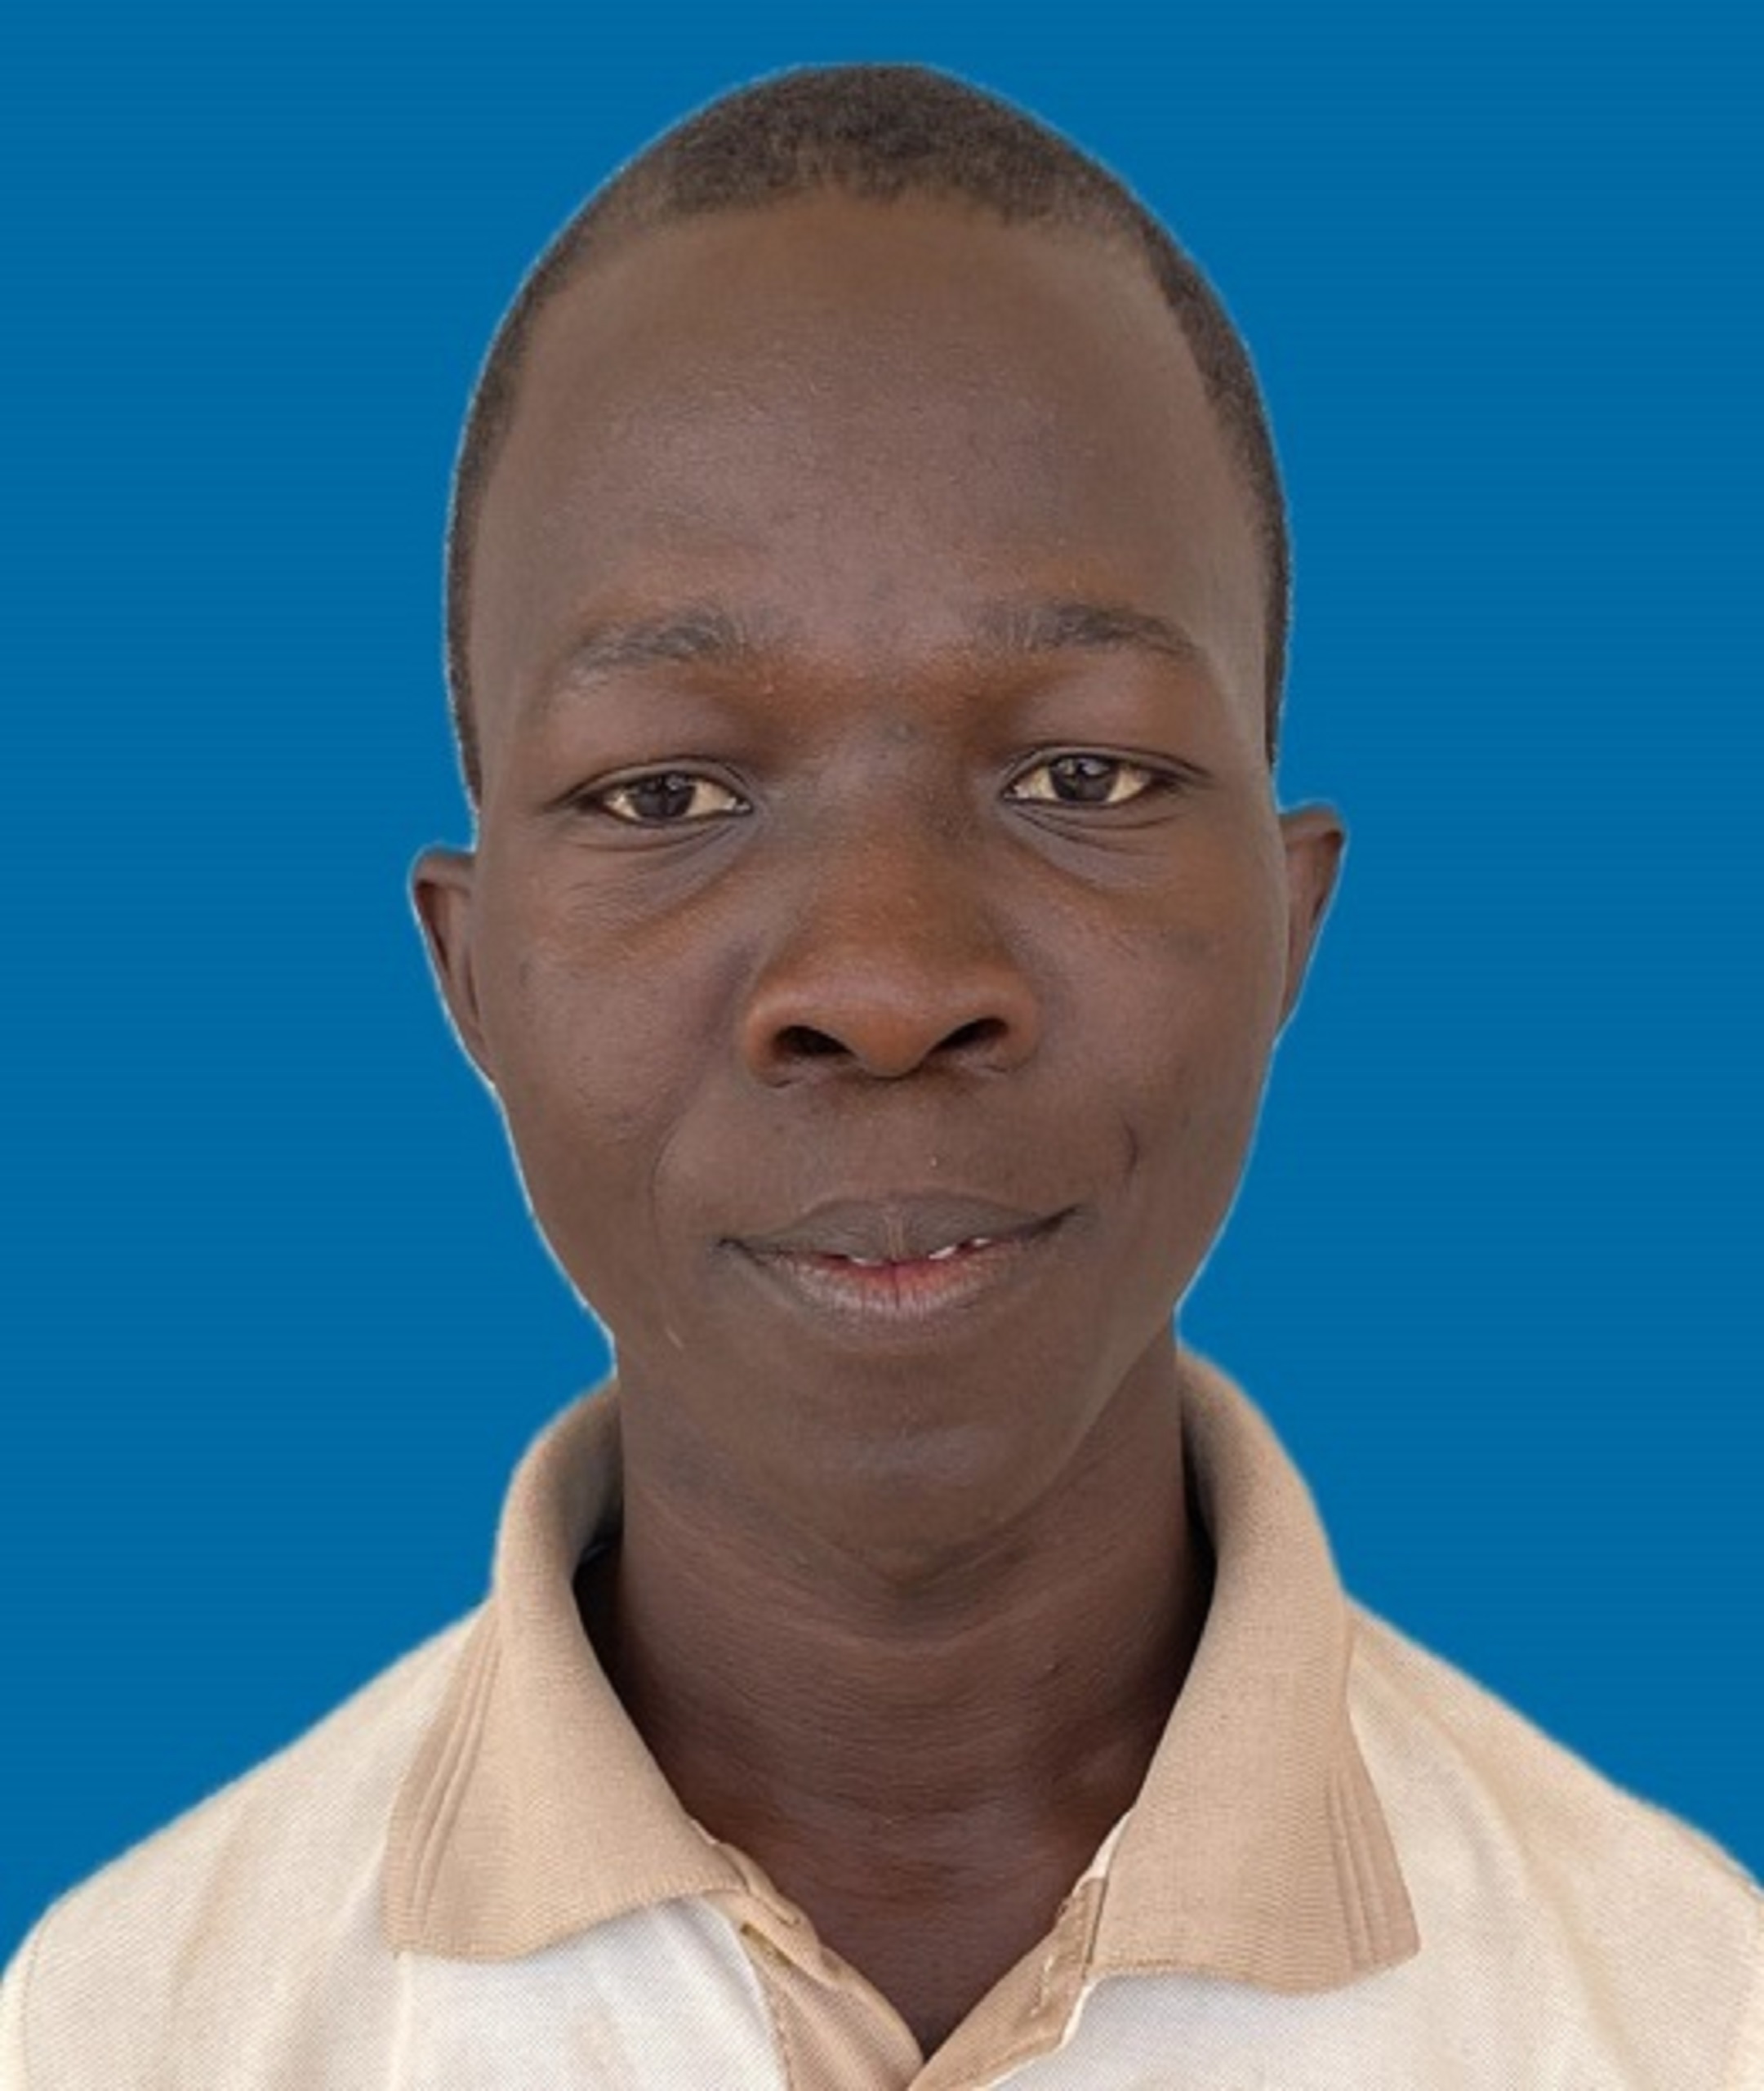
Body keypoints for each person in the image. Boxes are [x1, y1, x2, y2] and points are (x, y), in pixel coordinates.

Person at [2, 62, 1757, 2091]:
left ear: (1293, 924)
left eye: (1081, 774)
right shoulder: (120, 2028)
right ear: (470, 973)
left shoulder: (1695, 2016)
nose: (887, 981)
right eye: (667, 794)